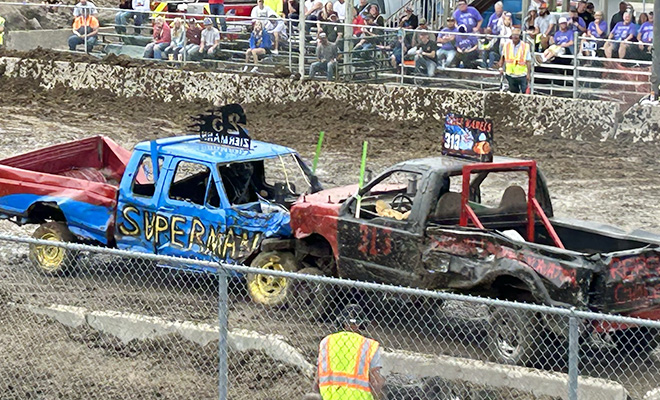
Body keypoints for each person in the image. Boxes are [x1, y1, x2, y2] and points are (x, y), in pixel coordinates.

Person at [312, 305, 384, 400]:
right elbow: (376, 382)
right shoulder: (369, 345)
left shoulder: (327, 342)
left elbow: (317, 379)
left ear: (342, 322)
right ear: (361, 323)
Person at [499, 28, 532, 94]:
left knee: (524, 94)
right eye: (513, 35)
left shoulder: (525, 46)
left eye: (517, 35)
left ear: (520, 36)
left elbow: (528, 61)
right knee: (513, 94)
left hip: (522, 74)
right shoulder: (506, 45)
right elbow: (503, 57)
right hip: (510, 74)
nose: (515, 37)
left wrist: (528, 73)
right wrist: (501, 68)